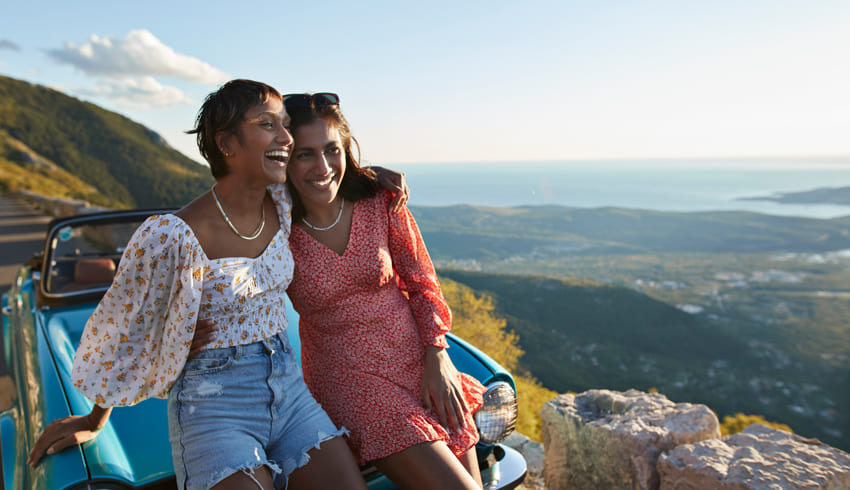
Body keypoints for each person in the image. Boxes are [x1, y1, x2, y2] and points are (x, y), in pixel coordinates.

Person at [26, 80, 408, 490]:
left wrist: (369, 176)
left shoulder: (281, 200)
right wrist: (94, 418)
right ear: (226, 143)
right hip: (213, 400)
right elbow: (126, 329)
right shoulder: (173, 235)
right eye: (267, 125)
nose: (285, 136)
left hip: (290, 388)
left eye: (284, 125)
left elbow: (324, 170)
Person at [280, 92, 486, 490]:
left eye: (331, 150)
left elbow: (423, 283)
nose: (322, 167)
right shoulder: (274, 230)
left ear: (347, 151)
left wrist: (438, 355)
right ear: (284, 159)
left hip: (418, 361)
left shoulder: (380, 201)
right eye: (304, 154)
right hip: (349, 379)